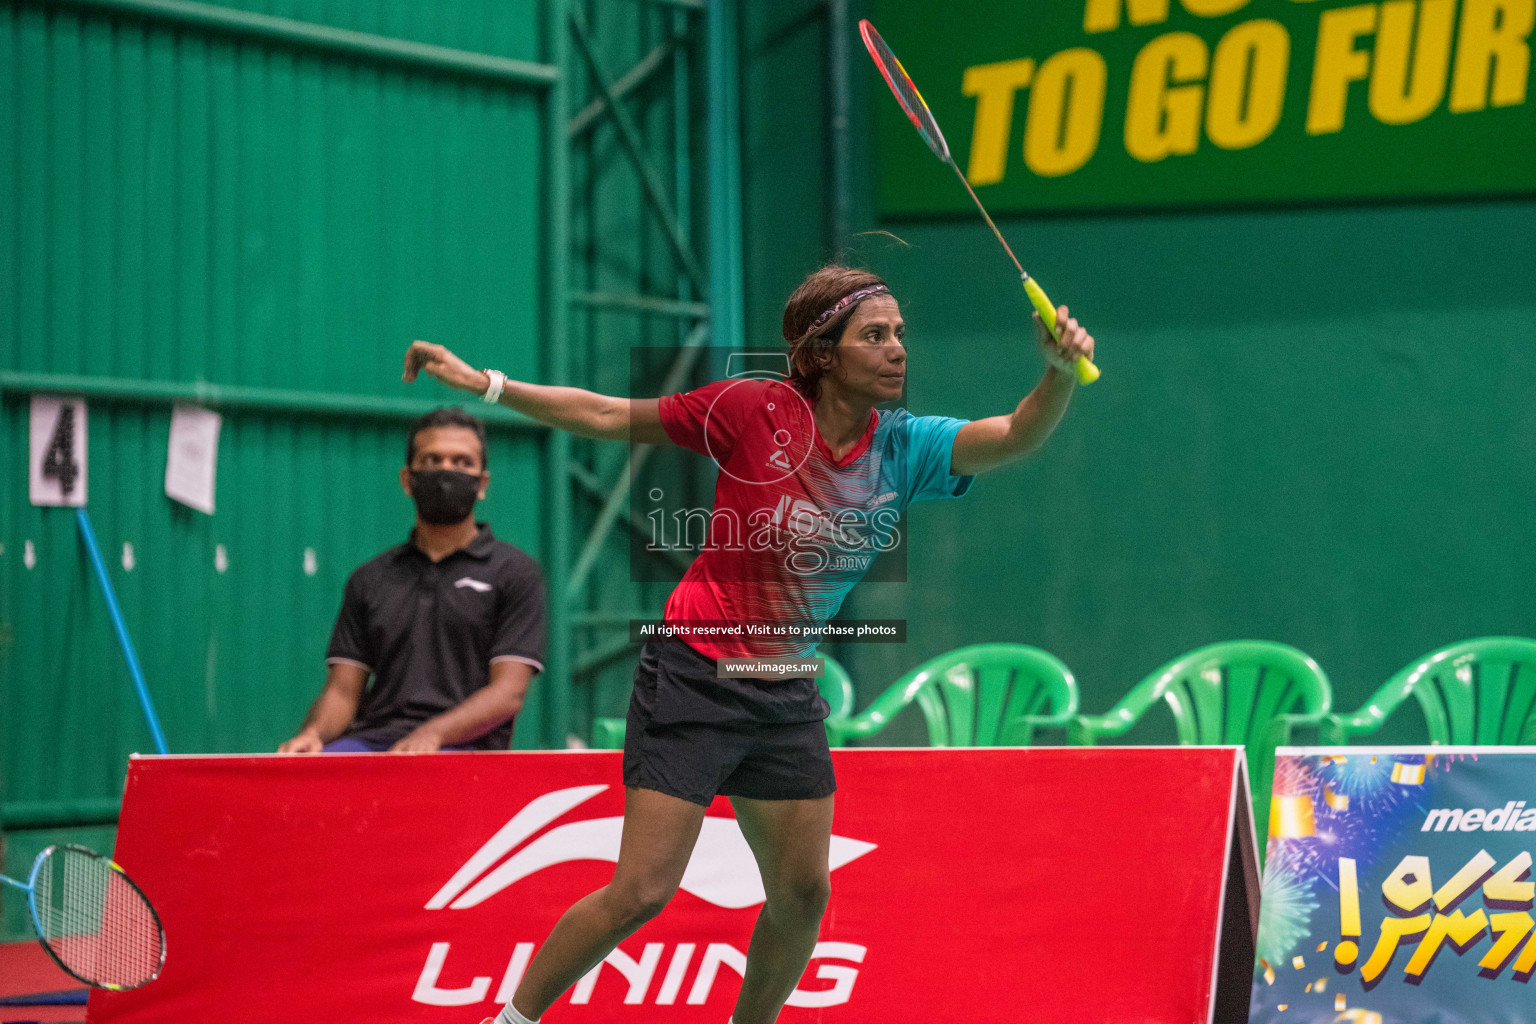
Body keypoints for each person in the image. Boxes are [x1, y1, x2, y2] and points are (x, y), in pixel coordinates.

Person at [403, 265, 1094, 1023]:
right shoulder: (754, 409)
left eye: (900, 334)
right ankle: (509, 1020)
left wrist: (1056, 372)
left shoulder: (904, 446)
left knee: (804, 895)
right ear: (822, 354)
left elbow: (1013, 434)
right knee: (641, 892)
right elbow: (605, 413)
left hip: (785, 690)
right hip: (695, 674)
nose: (898, 349)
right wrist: (488, 385)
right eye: (875, 335)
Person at [277, 408, 546, 754]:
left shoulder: (515, 572)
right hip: (372, 744)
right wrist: (314, 733)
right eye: (432, 460)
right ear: (408, 480)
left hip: (467, 751)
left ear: (482, 485)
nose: (447, 471)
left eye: (462, 462)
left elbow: (508, 693)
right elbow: (343, 691)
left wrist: (433, 734)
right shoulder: (369, 579)